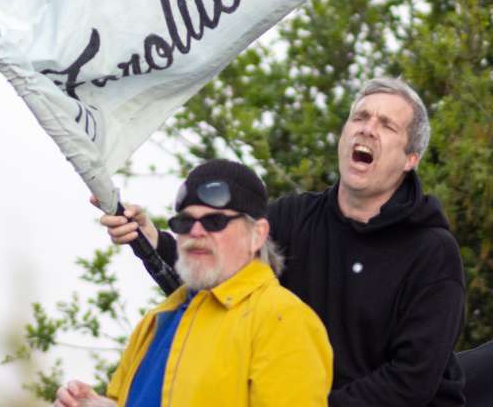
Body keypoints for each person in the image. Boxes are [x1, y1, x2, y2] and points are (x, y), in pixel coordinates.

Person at [100, 78, 466, 406]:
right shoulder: (293, 217)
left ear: (410, 159)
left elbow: (411, 382)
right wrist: (150, 240)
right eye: (360, 117)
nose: (367, 130)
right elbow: (219, 278)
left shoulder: (432, 251)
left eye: (386, 125)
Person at [57, 159, 332, 407]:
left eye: (214, 221)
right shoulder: (157, 319)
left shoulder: (283, 321)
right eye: (185, 222)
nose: (196, 232)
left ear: (257, 234)